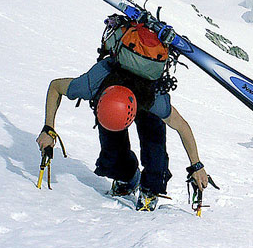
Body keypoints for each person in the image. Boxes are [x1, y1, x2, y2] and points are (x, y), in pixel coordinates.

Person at [36, 59, 208, 211]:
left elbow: (182, 127)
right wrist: (48, 128)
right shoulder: (92, 84)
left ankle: (150, 189)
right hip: (110, 97)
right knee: (111, 153)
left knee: (154, 146)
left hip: (145, 93)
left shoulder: (155, 100)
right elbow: (55, 87)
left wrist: (197, 166)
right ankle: (127, 177)